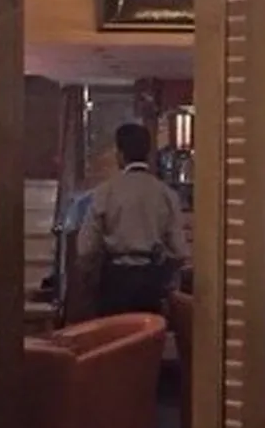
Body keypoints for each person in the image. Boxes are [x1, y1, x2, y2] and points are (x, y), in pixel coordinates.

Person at [74, 122, 188, 317]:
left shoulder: (105, 192)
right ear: (148, 153)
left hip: (115, 280)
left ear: (120, 154)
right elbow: (179, 251)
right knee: (147, 333)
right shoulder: (166, 194)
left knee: (116, 334)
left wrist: (88, 279)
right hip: (151, 282)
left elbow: (86, 249)